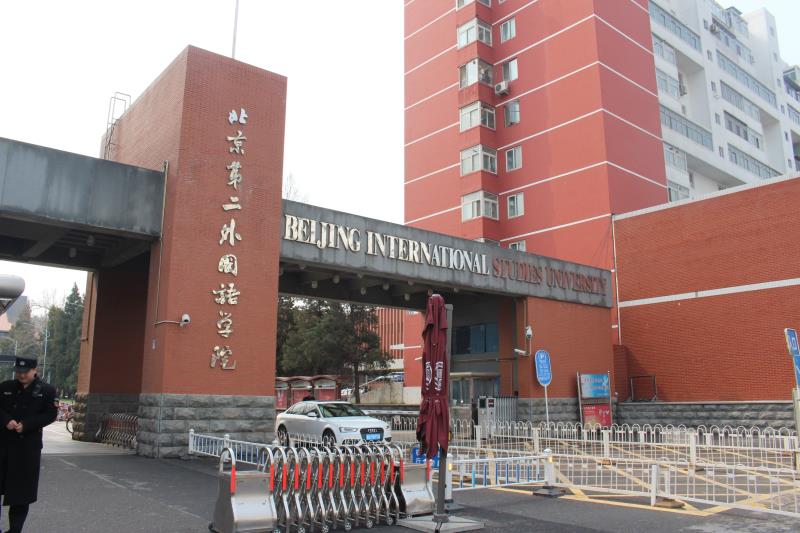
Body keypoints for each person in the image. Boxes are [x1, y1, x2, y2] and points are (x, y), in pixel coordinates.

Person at [0, 357, 58, 533]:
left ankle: (15, 530)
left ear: (35, 370)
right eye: (18, 372)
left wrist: (27, 424)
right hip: (3, 446)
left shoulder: (47, 391)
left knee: (21, 494)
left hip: (27, 449)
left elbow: (50, 414)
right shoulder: (5, 387)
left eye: (25, 372)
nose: (21, 375)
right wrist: (6, 420)